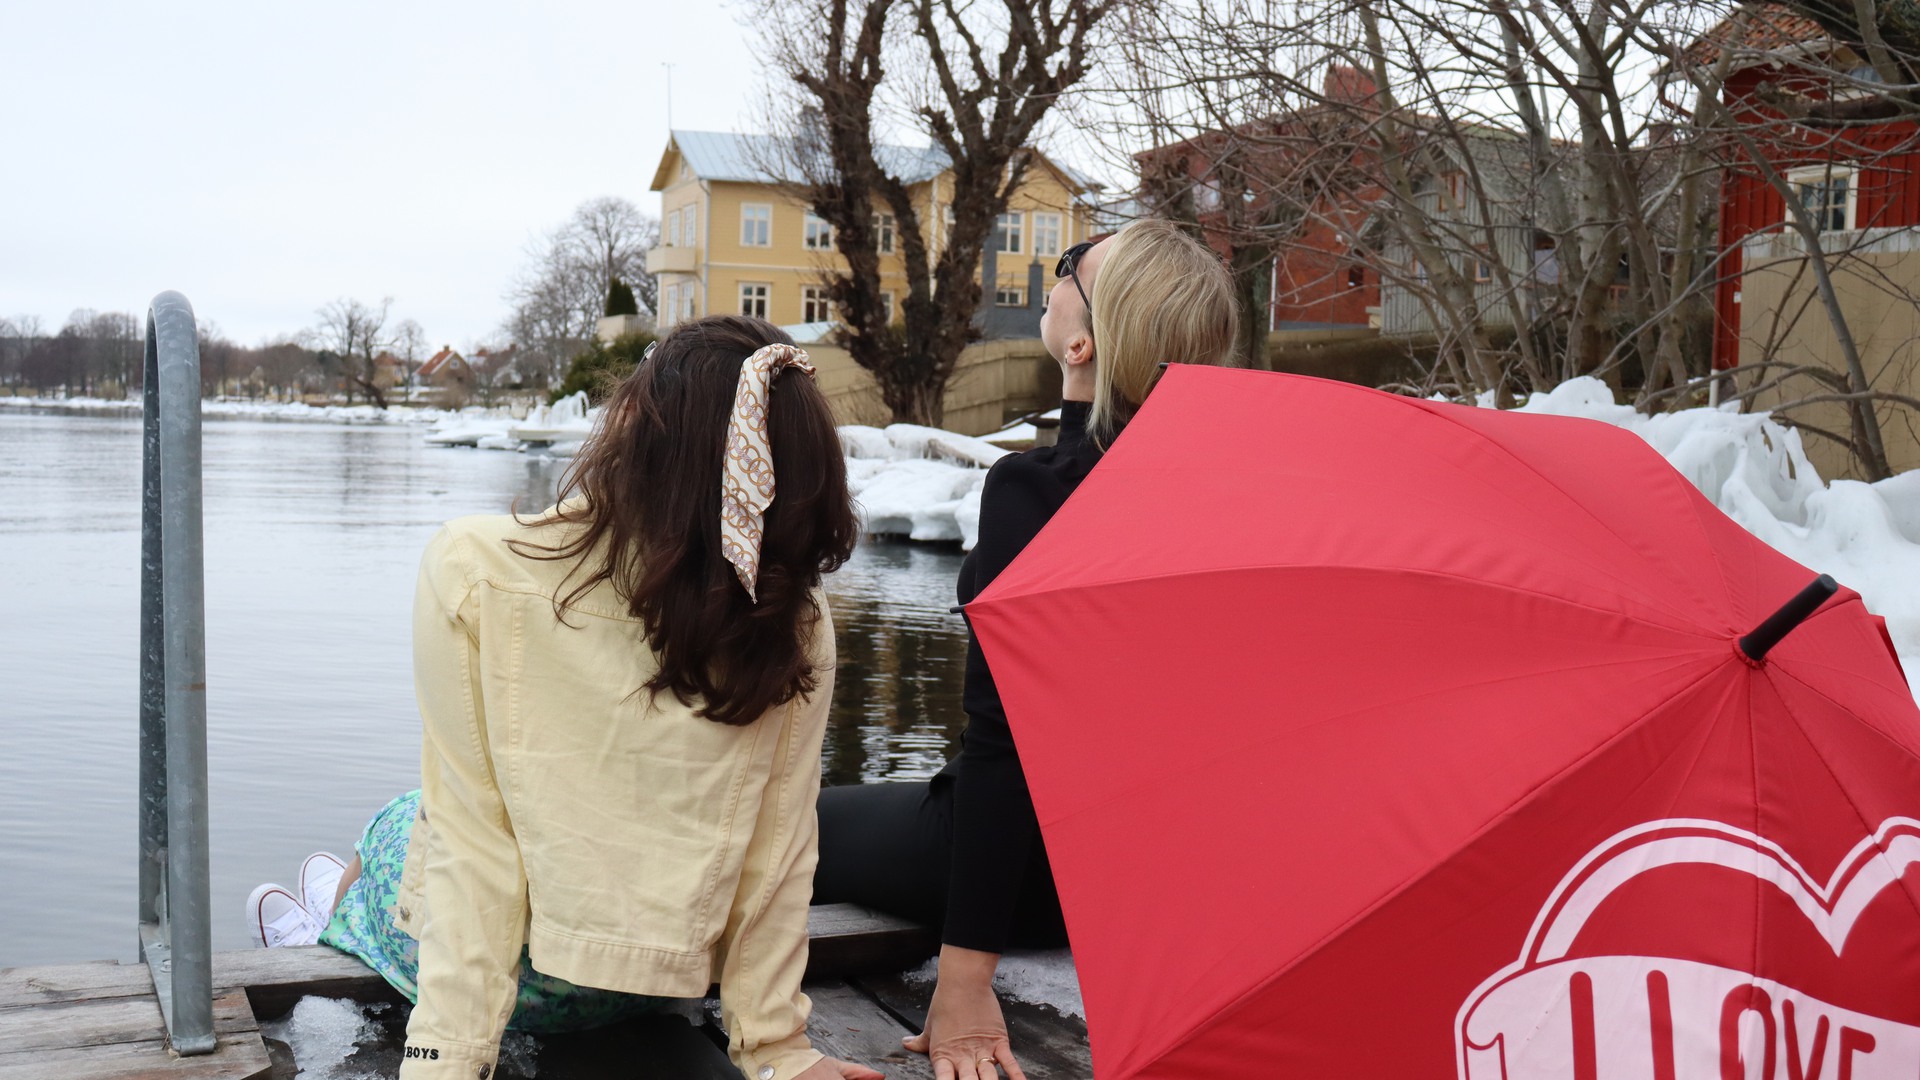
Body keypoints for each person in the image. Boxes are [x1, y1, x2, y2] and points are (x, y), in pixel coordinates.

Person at [244, 315, 883, 1080]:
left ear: (634, 434)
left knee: (402, 823)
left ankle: (319, 927)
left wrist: (445, 1063)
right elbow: (778, 855)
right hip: (655, 981)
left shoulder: (476, 567)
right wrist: (777, 1049)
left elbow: (472, 845)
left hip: (525, 988)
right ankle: (324, 904)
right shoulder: (794, 621)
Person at [812, 218, 1241, 1078]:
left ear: (1082, 340)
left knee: (785, 816)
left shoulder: (1033, 490)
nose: (1058, 272)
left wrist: (966, 980)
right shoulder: (1225, 495)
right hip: (1140, 885)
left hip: (1026, 879)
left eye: (1069, 266)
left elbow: (1005, 746)